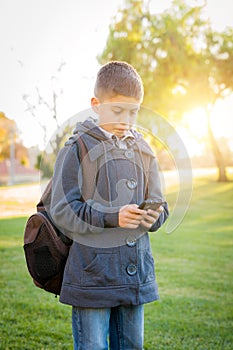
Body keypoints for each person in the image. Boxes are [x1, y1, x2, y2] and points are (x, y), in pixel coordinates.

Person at [49, 61, 169, 350]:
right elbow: (63, 212)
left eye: (133, 112)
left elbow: (162, 208)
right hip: (92, 276)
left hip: (134, 274)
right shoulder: (77, 148)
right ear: (95, 104)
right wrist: (112, 217)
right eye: (117, 110)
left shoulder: (145, 150)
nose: (126, 119)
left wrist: (153, 216)